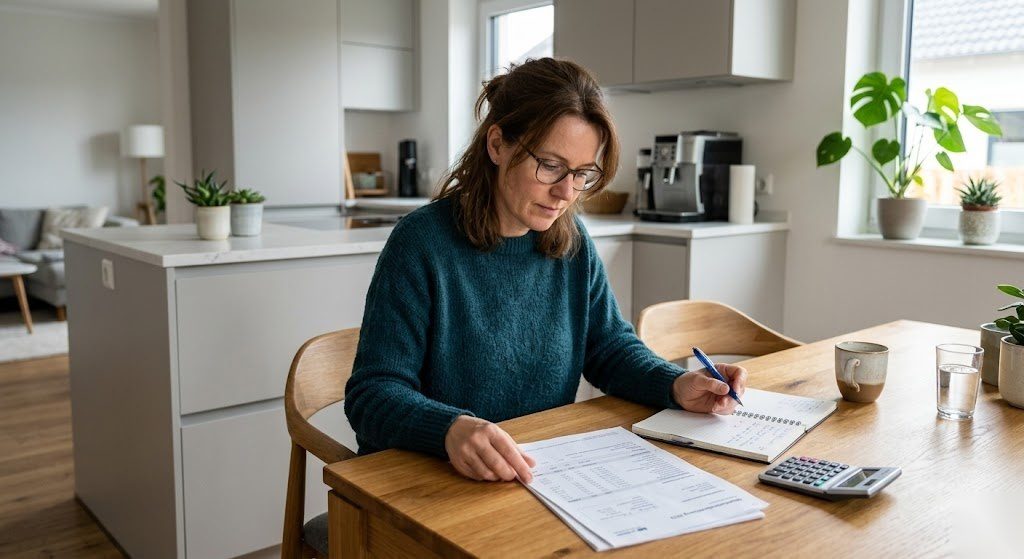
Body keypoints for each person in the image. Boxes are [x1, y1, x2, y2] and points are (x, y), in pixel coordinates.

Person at [344, 58, 747, 484]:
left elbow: (609, 349)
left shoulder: (570, 242)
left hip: (532, 472)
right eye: (550, 166)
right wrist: (449, 429)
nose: (565, 192)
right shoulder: (422, 243)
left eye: (582, 174)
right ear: (497, 144)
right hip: (424, 479)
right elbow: (372, 394)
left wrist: (676, 384)